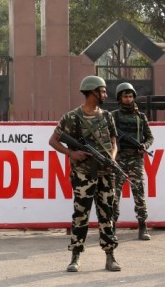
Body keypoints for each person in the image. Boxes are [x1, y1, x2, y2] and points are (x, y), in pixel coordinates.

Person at [48, 75, 120, 272]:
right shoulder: (72, 117)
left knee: (108, 214)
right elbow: (53, 140)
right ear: (92, 92)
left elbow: (114, 141)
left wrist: (112, 157)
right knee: (81, 215)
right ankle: (76, 256)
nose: (105, 94)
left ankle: (110, 256)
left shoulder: (107, 116)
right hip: (83, 175)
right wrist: (71, 152)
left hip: (106, 173)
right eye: (102, 90)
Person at [111, 82, 153, 241]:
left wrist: (144, 145)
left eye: (130, 96)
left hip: (136, 158)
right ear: (119, 98)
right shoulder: (113, 116)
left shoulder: (141, 117)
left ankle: (142, 226)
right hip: (119, 158)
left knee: (139, 192)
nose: (128, 99)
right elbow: (108, 135)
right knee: (114, 194)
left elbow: (150, 137)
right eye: (125, 96)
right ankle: (112, 227)